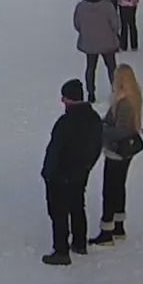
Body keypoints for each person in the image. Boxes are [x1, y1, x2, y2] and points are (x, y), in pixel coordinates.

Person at [40, 79, 103, 265]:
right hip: (81, 172)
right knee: (77, 205)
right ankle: (79, 242)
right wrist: (86, 167)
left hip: (61, 175)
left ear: (68, 99)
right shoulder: (94, 119)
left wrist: (48, 174)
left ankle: (61, 250)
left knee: (58, 212)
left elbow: (55, 151)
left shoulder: (65, 123)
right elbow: (97, 146)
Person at [90, 64, 143, 246]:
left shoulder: (124, 103)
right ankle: (118, 226)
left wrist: (103, 130)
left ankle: (106, 231)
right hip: (126, 151)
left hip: (117, 152)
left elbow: (121, 130)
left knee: (110, 189)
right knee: (119, 187)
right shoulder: (133, 98)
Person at [74, 0, 120, 103]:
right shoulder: (107, 6)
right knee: (112, 68)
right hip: (107, 42)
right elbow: (115, 25)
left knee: (90, 68)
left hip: (89, 43)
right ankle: (116, 90)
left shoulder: (81, 7)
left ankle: (91, 93)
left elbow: (77, 24)